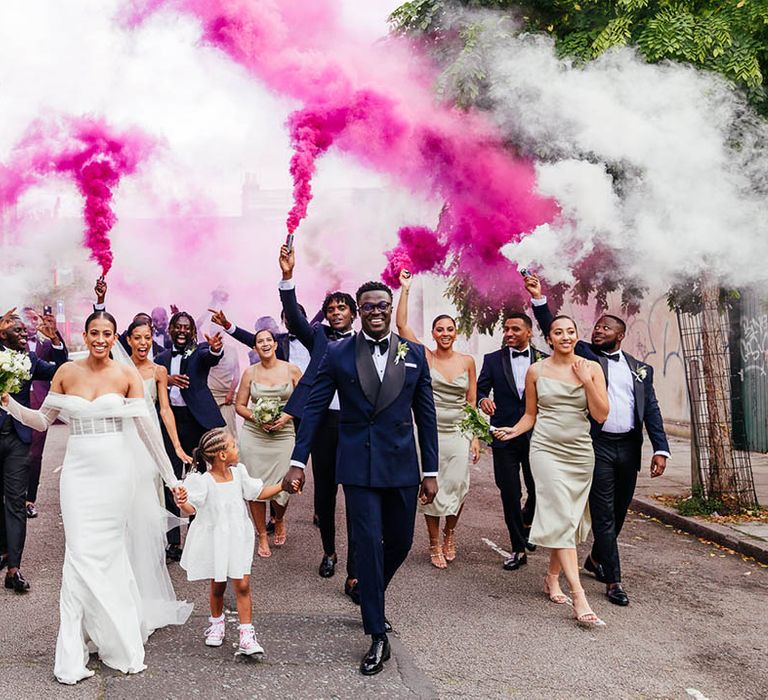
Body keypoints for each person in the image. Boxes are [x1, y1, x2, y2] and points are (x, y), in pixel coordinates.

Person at [1, 311, 191, 684]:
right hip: (77, 475)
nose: (101, 339)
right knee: (78, 554)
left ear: (114, 336)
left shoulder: (126, 376)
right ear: (85, 336)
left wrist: (171, 480)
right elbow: (43, 420)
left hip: (115, 474)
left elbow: (148, 431)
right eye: (94, 333)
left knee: (109, 553)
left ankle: (116, 635)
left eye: (107, 333)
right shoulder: (66, 373)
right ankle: (71, 650)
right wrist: (8, 402)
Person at [282, 280, 439, 676]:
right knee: (367, 544)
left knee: (400, 542)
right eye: (367, 306)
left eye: (382, 305)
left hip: (402, 465)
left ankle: (366, 589)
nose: (375, 311)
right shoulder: (337, 353)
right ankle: (376, 632)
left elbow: (427, 416)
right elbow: (315, 408)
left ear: (389, 308)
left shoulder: (414, 354)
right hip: (357, 465)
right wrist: (298, 461)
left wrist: (431, 470)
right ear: (359, 309)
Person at [525, 274, 670, 606]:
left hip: (629, 447)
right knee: (603, 513)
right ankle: (612, 580)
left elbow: (652, 410)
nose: (597, 331)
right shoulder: (585, 358)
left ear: (620, 335)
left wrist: (660, 448)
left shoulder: (640, 369)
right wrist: (538, 298)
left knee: (619, 512)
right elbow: (554, 327)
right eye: (596, 328)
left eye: (605, 328)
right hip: (597, 445)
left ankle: (594, 559)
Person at [492, 315, 609, 628]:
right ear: (549, 338)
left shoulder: (592, 368)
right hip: (545, 450)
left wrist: (585, 380)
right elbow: (530, 415)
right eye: (559, 332)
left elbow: (601, 415)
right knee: (559, 512)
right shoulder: (537, 370)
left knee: (567, 521)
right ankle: (580, 596)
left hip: (580, 453)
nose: (566, 337)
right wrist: (512, 432)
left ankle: (552, 577)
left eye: (571, 331)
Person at [277, 245, 362, 600]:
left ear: (354, 314)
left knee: (358, 498)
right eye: (331, 309)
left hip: (357, 426)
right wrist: (287, 277)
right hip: (324, 424)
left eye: (343, 307)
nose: (336, 312)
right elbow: (295, 320)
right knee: (326, 495)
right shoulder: (319, 338)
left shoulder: (366, 342)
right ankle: (329, 551)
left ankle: (356, 569)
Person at [174, 427, 294, 656]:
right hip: (217, 539)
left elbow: (257, 493)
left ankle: (247, 634)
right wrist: (182, 502)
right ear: (221, 454)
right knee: (218, 585)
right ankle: (217, 624)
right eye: (233, 446)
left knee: (242, 584)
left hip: (239, 536)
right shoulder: (203, 481)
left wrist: (282, 486)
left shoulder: (239, 473)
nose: (237, 448)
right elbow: (191, 508)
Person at [395, 270, 480, 568]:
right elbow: (402, 324)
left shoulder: (467, 362)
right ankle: (433, 542)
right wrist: (405, 288)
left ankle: (450, 533)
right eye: (439, 329)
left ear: (456, 333)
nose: (445, 333)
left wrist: (476, 438)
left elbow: (471, 402)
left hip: (458, 431)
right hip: (428, 432)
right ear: (433, 334)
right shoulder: (425, 357)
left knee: (458, 485)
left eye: (449, 329)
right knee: (432, 486)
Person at [0, 311, 68, 592]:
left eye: (26, 331)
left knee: (16, 502)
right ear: (2, 334)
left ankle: (14, 568)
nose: (25, 334)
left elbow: (59, 370)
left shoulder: (29, 360)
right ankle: (4, 551)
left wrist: (56, 341)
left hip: (18, 438)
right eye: (18, 331)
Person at [477, 313, 548, 571]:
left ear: (528, 332)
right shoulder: (492, 360)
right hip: (504, 436)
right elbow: (480, 390)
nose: (508, 333)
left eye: (515, 329)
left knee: (538, 488)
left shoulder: (545, 360)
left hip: (537, 436)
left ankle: (527, 522)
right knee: (510, 493)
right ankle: (518, 548)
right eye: (506, 329)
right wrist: (483, 400)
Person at [155, 312, 225, 561]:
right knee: (171, 479)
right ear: (171, 329)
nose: (182, 331)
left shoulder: (200, 351)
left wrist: (216, 349)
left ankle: (198, 536)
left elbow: (211, 356)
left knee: (198, 479)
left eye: (187, 327)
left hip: (197, 423)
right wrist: (168, 380)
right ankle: (173, 542)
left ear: (192, 331)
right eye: (178, 327)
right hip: (171, 424)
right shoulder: (161, 358)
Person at [235, 328, 301, 557]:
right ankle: (262, 534)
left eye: (268, 340)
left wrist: (286, 416)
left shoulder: (291, 370)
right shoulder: (249, 373)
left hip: (283, 434)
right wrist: (257, 418)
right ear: (255, 348)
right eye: (259, 341)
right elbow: (240, 405)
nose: (264, 344)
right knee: (255, 485)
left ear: (275, 344)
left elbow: (304, 400)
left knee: (285, 482)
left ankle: (279, 517)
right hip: (255, 435)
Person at [125, 319, 193, 471]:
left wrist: (177, 446)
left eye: (147, 338)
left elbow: (165, 410)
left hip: (152, 432)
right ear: (129, 340)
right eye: (137, 338)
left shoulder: (159, 371)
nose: (143, 342)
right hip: (127, 432)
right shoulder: (120, 370)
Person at [21, 307, 64, 519]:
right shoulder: (12, 343)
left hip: (39, 405)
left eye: (34, 319)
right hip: (14, 404)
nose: (30, 323)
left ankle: (29, 500)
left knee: (34, 455)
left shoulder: (45, 343)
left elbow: (62, 363)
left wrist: (55, 337)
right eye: (26, 319)